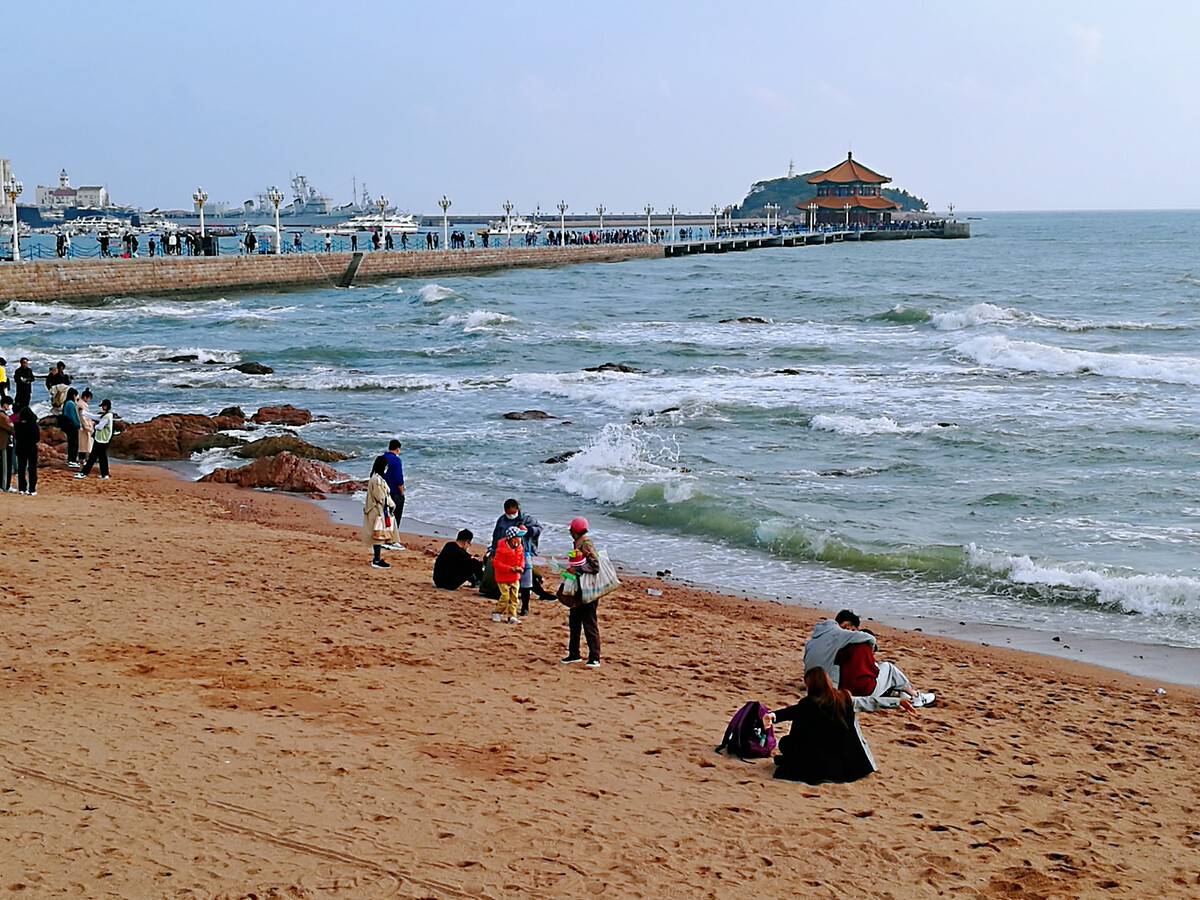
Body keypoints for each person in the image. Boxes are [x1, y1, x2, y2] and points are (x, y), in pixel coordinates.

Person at [769, 667, 877, 784]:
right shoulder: (842, 699)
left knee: (785, 743)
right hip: (844, 761)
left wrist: (773, 716)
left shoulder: (809, 704)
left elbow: (792, 713)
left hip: (818, 760)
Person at [831, 610, 931, 708]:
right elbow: (873, 671)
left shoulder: (832, 644)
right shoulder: (858, 643)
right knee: (889, 668)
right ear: (849, 627)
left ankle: (899, 692)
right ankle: (916, 696)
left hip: (843, 690)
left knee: (885, 675)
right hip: (863, 691)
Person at [489, 498, 552, 615]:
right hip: (506, 555)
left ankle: (525, 606)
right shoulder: (502, 521)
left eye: (513, 513)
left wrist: (528, 530)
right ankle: (509, 603)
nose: (510, 516)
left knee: (526, 579)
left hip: (523, 553)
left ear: (518, 509)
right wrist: (493, 553)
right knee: (509, 579)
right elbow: (496, 537)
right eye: (508, 514)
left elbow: (539, 529)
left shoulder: (526, 519)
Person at [561, 516, 602, 667]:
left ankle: (594, 658)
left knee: (589, 623)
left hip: (587, 590)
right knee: (575, 621)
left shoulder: (585, 544)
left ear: (575, 531)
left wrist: (577, 569)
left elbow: (595, 566)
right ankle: (574, 654)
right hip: (580, 588)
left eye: (571, 528)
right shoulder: (580, 543)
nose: (569, 531)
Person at [363, 455, 397, 569]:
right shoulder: (377, 480)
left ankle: (376, 558)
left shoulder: (376, 478)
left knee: (378, 535)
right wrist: (391, 505)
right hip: (376, 510)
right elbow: (381, 497)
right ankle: (376, 560)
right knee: (378, 535)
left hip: (377, 509)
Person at [491, 526, 525, 624]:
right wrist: (510, 569)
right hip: (502, 577)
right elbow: (496, 563)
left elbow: (521, 559)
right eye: (518, 537)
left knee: (514, 597)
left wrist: (520, 567)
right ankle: (497, 612)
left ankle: (512, 616)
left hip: (514, 577)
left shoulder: (519, 548)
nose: (520, 539)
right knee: (505, 596)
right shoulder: (501, 549)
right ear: (512, 538)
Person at [76, 398, 113, 479]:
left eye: (103, 406)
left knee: (92, 457)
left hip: (100, 439)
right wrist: (84, 413)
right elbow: (96, 417)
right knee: (102, 457)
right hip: (103, 439)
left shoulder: (107, 416)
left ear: (106, 406)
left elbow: (100, 427)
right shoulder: (107, 415)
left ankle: (84, 473)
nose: (102, 408)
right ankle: (105, 474)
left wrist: (94, 425)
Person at [381, 439, 405, 549]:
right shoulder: (396, 460)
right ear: (397, 449)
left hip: (382, 491)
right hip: (393, 491)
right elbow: (398, 478)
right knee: (395, 515)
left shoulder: (382, 458)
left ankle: (383, 537)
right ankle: (392, 539)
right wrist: (402, 492)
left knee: (384, 515)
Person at [14, 405, 40, 495]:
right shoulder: (33, 425)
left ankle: (22, 488)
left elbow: (16, 437)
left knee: (21, 469)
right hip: (31, 448)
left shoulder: (17, 425)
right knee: (32, 469)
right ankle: (32, 489)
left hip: (21, 448)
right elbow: (37, 438)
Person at [60, 388, 81, 468]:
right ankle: (72, 460)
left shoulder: (65, 403)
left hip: (67, 426)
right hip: (72, 426)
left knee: (71, 443)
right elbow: (73, 416)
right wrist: (78, 424)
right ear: (73, 395)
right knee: (74, 443)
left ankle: (69, 460)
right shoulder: (71, 404)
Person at [76, 389, 93, 466]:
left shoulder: (81, 404)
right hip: (83, 427)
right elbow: (83, 418)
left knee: (84, 444)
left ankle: (82, 459)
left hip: (84, 427)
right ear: (85, 397)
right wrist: (88, 427)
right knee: (83, 445)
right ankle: (82, 460)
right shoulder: (81, 405)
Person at [0, 396, 13, 491]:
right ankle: (4, 486)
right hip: (3, 442)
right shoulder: (2, 415)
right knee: (5, 466)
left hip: (4, 441)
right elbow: (10, 427)